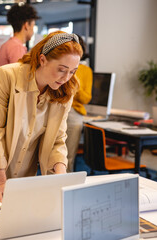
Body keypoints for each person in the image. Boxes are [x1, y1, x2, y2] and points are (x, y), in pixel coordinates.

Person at [0, 31, 83, 202]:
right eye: (61, 70)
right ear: (42, 60)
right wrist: (0, 181)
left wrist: (61, 178)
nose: (66, 78)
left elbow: (58, 140)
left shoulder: (65, 90)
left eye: (72, 72)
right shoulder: (8, 75)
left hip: (25, 174)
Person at [65, 35, 92, 172]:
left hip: (75, 113)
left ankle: (65, 183)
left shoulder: (86, 71)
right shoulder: (61, 66)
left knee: (69, 155)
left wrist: (76, 84)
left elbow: (86, 99)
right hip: (58, 109)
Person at [0, 3, 40, 70]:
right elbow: (20, 77)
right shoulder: (17, 47)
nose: (33, 31)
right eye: (33, 26)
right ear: (26, 25)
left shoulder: (6, 45)